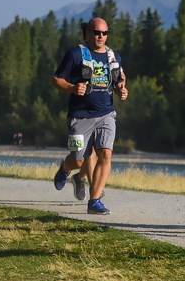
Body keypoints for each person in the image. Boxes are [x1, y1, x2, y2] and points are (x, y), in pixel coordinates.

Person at [51, 17, 128, 215]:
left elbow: (120, 77)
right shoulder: (76, 54)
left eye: (104, 33)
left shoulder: (113, 56)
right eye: (96, 32)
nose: (101, 36)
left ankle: (94, 201)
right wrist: (72, 87)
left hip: (106, 114)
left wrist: (121, 89)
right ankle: (65, 170)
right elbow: (57, 79)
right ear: (87, 33)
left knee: (105, 154)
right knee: (78, 160)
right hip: (80, 116)